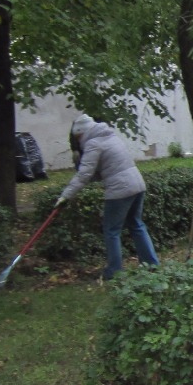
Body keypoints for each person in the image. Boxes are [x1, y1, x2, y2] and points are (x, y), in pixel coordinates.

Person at [58, 114, 160, 280]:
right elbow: (98, 173)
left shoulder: (93, 144)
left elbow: (84, 175)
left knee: (112, 230)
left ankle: (114, 271)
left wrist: (65, 196)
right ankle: (151, 264)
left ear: (82, 133)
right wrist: (80, 166)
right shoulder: (111, 137)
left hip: (120, 190)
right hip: (137, 184)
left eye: (78, 137)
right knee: (136, 224)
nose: (78, 141)